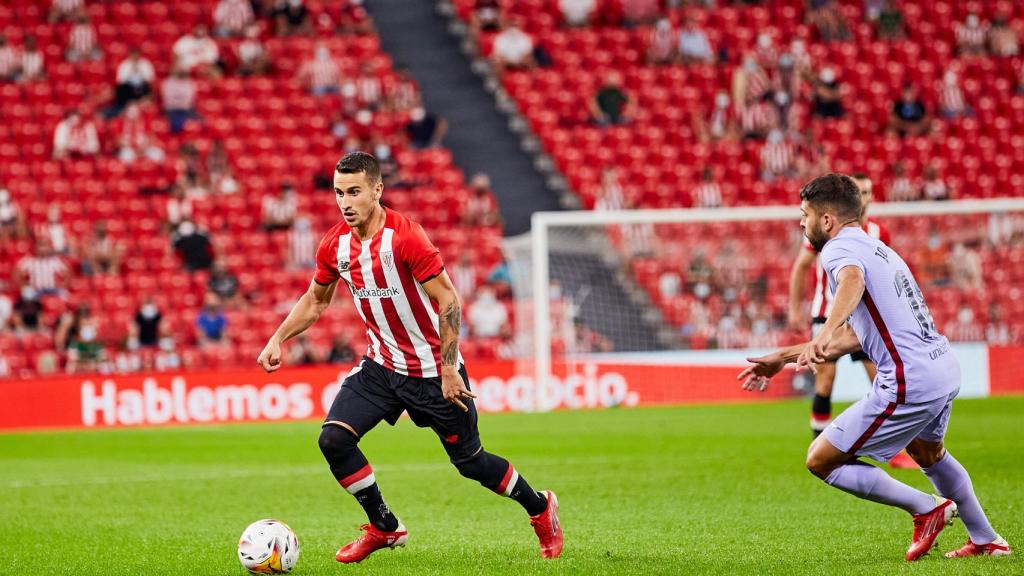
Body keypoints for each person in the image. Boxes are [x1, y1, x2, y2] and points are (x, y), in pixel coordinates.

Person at [256, 151, 562, 563]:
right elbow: (316, 300)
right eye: (339, 193)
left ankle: (540, 507)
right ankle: (385, 526)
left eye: (354, 192)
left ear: (377, 190)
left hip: (434, 371)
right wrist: (278, 338)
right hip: (381, 367)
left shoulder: (406, 238)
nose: (345, 202)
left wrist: (449, 369)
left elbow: (449, 300)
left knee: (471, 463)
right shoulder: (335, 245)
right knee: (334, 439)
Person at [741, 173, 1011, 560]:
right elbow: (854, 337)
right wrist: (781, 358)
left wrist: (823, 330)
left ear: (827, 220)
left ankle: (927, 509)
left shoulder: (837, 250)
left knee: (821, 460)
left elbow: (851, 281)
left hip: (908, 380)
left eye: (805, 214)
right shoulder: (878, 248)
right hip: (942, 368)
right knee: (929, 455)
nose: (801, 222)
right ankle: (987, 540)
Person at [786, 174, 919, 468]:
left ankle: (894, 448)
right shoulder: (822, 230)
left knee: (882, 379)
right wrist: (795, 307)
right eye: (861, 191)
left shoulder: (879, 231)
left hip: (864, 318)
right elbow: (802, 266)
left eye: (869, 191)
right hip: (826, 313)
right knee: (825, 379)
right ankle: (819, 444)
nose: (865, 196)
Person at [112, 49, 156, 114]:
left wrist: (140, 71)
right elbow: (120, 80)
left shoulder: (146, 63)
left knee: (148, 88)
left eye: (136, 54)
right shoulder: (124, 64)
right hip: (129, 87)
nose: (135, 56)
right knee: (120, 89)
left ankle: (140, 103)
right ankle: (124, 107)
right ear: (130, 55)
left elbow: (150, 78)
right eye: (133, 55)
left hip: (142, 86)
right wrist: (131, 71)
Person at [161, 68, 199, 134]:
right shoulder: (168, 83)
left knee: (200, 123)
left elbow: (189, 99)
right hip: (171, 110)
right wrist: (181, 100)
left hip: (186, 109)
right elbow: (169, 100)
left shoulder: (190, 83)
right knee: (176, 125)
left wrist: (179, 99)